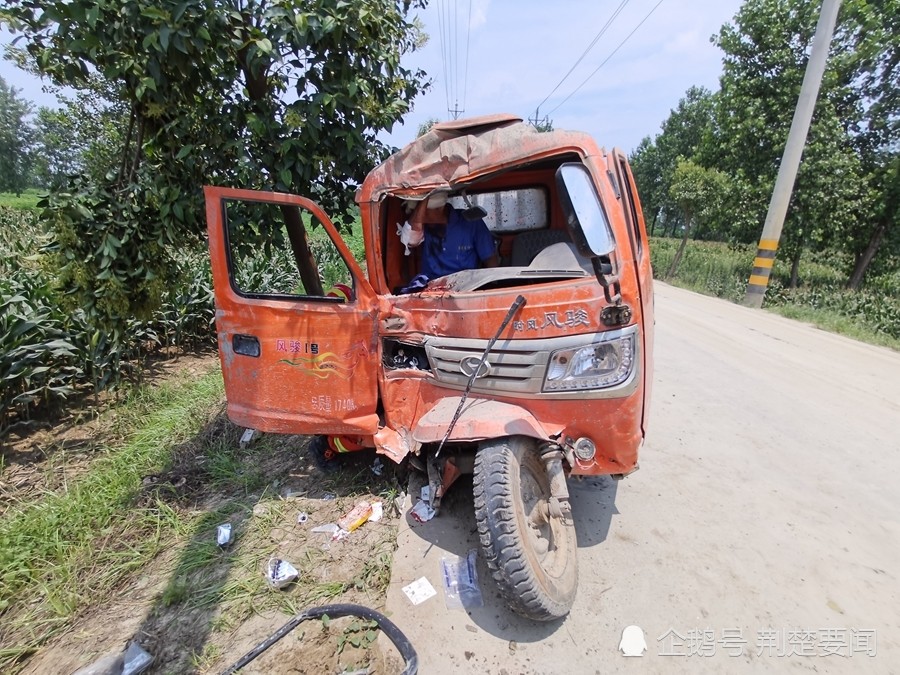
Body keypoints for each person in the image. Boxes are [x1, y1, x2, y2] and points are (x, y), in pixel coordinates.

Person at [411, 192, 498, 278]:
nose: (421, 219)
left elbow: (489, 258)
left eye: (425, 214)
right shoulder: (420, 227)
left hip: (464, 285)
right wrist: (424, 198)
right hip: (430, 286)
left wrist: (494, 283)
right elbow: (411, 239)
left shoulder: (472, 223)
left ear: (439, 209)